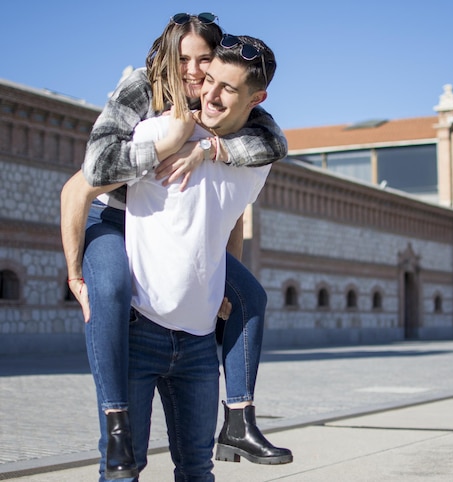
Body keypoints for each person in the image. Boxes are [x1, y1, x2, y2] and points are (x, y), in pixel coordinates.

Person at [60, 14, 290, 481]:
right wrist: (166, 144)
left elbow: (271, 142)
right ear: (167, 58)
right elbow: (89, 174)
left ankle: (240, 417)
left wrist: (207, 149)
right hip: (113, 215)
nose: (193, 71)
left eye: (204, 60)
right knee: (109, 291)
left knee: (251, 297)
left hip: (180, 238)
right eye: (183, 59)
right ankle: (116, 416)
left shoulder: (224, 111)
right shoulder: (143, 91)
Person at [122, 34, 281, 479]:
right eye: (207, 80)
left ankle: (240, 419)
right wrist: (78, 275)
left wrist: (221, 280)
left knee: (197, 470)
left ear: (257, 98)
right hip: (140, 326)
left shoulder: (257, 157)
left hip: (195, 344)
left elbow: (231, 219)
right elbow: (85, 183)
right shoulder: (161, 131)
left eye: (227, 88)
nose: (209, 93)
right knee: (122, 469)